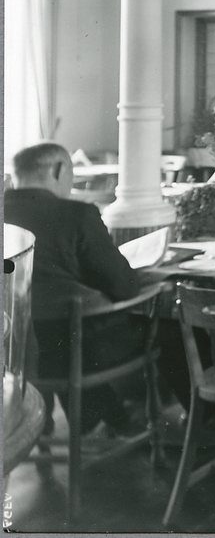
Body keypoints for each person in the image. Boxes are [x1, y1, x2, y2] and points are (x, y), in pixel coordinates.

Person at [4, 142, 148, 435]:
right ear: (58, 170)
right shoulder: (76, 214)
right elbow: (124, 286)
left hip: (13, 352)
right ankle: (205, 418)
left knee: (65, 331)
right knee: (164, 327)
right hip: (75, 349)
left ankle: (102, 418)